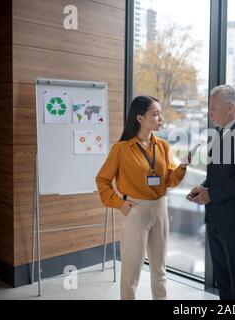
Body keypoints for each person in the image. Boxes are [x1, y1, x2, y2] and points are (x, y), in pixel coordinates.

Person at [96, 96, 189, 300]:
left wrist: (181, 167)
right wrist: (120, 204)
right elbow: (102, 180)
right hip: (136, 211)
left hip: (160, 210)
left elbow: (169, 181)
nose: (160, 118)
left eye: (160, 113)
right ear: (139, 118)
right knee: (131, 275)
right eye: (155, 114)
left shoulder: (163, 146)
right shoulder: (121, 149)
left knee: (160, 271)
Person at [187, 85, 235, 300]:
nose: (209, 113)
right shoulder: (220, 132)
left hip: (234, 222)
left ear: (230, 107)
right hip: (216, 218)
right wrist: (203, 188)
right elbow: (220, 175)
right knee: (223, 280)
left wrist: (212, 194)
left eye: (213, 108)